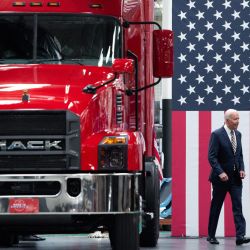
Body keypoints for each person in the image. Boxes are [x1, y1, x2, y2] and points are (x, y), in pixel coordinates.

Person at [207, 109, 250, 245]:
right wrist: (220, 172)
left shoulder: (238, 134)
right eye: (235, 119)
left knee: (238, 207)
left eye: (238, 118)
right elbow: (212, 157)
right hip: (220, 179)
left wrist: (241, 169)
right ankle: (211, 235)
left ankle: (240, 236)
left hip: (235, 179)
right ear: (227, 120)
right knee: (216, 207)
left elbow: (239, 155)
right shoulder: (217, 134)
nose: (238, 121)